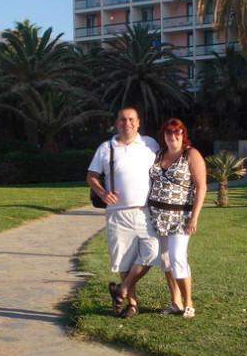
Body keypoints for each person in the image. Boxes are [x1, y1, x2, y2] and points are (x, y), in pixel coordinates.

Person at [86, 107, 162, 319]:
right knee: (125, 261)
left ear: (138, 122)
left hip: (146, 211)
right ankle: (132, 304)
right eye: (122, 119)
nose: (126, 123)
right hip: (117, 214)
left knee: (152, 252)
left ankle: (122, 289)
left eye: (131, 119)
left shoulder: (150, 144)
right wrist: (102, 193)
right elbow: (91, 176)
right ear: (116, 122)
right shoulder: (106, 147)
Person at [147, 118, 207, 319]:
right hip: (157, 216)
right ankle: (176, 302)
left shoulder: (191, 154)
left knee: (177, 257)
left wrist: (194, 218)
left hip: (180, 217)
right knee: (165, 260)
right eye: (168, 132)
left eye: (177, 132)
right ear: (163, 135)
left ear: (183, 134)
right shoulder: (158, 154)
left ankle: (189, 303)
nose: (172, 136)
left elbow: (201, 187)